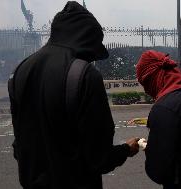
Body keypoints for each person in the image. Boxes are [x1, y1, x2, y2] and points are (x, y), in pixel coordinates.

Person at [8, 2, 139, 189]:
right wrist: (126, 149)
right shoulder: (84, 75)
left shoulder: (19, 72)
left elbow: (19, 146)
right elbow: (99, 158)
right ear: (86, 40)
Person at [136, 50, 181, 189]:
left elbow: (158, 171)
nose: (146, 90)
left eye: (146, 82)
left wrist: (152, 149)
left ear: (154, 76)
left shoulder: (165, 108)